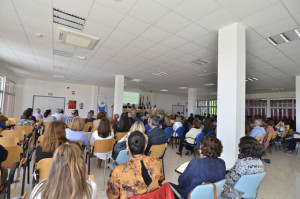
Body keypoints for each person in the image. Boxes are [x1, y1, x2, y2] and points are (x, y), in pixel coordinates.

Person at [107, 131, 164, 199]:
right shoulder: (156, 161)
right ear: (145, 146)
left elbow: (112, 195)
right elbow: (160, 179)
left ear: (127, 147)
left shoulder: (118, 170)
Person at [30, 142, 97, 199]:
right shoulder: (90, 189)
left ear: (53, 166)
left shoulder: (38, 189)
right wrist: (87, 177)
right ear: (81, 167)